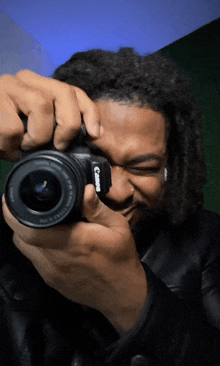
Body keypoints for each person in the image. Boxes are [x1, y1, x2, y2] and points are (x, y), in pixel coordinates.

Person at [0, 48, 219, 366]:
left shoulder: (207, 238)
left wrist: (126, 295)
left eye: (143, 168)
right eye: (94, 164)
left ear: (171, 172)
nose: (115, 192)